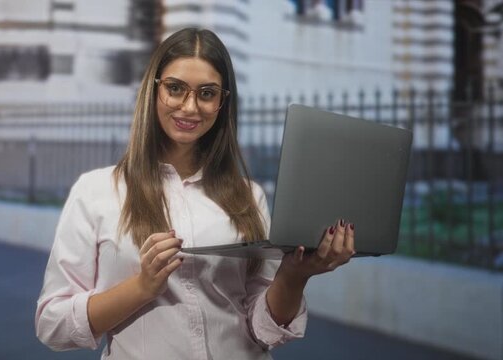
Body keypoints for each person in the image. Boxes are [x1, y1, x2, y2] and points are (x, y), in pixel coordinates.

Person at [35, 28, 355, 359]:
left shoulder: (248, 197)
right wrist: (140, 288)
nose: (190, 107)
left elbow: (264, 330)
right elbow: (52, 324)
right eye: (175, 89)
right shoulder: (96, 192)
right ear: (153, 90)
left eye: (206, 93)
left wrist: (294, 275)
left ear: (222, 102)